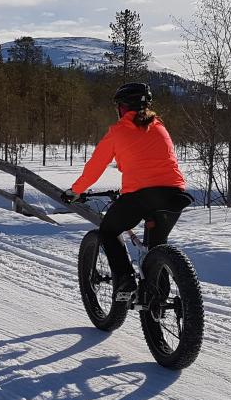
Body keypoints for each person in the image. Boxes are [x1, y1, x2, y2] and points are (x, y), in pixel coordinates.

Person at [61, 82, 191, 299]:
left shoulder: (117, 131)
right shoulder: (160, 126)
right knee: (156, 246)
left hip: (140, 196)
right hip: (174, 195)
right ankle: (157, 295)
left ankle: (125, 281)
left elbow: (94, 167)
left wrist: (75, 191)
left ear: (122, 108)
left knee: (108, 231)